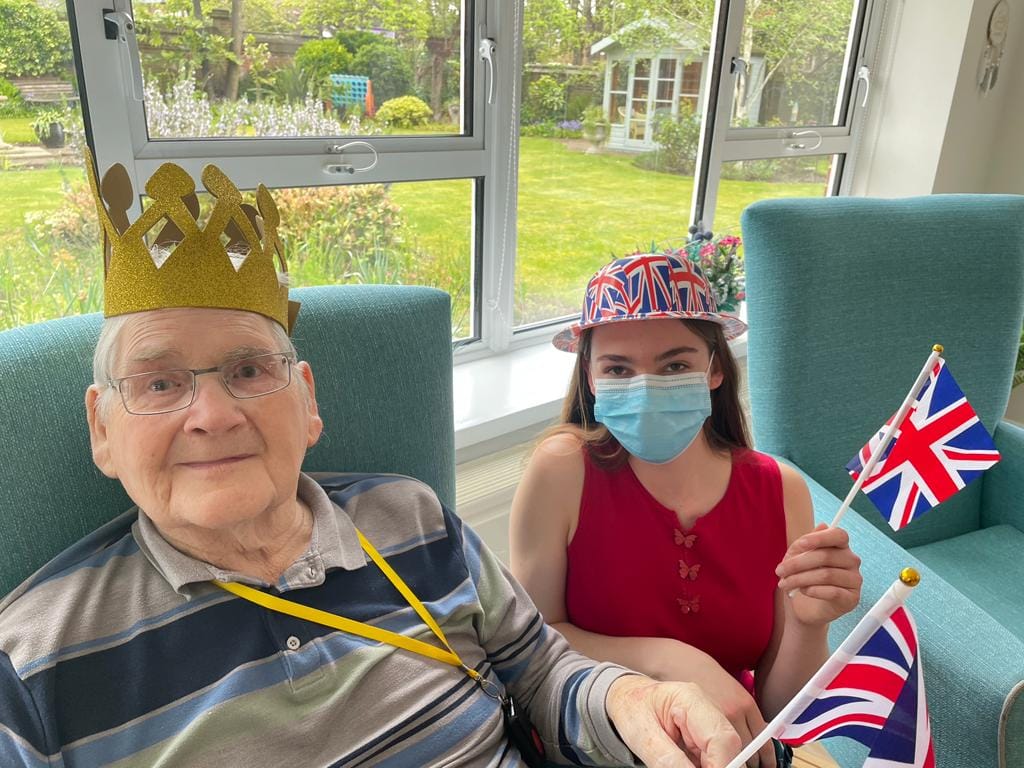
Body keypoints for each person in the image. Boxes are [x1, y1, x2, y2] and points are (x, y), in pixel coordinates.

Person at [0, 157, 743, 768]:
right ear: (102, 427)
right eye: (160, 383)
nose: (214, 414)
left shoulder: (410, 516)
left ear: (308, 400)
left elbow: (545, 671)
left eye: (251, 370)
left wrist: (633, 701)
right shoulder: (32, 666)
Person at [510, 251, 863, 767]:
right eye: (618, 368)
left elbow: (778, 710)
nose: (646, 388)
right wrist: (672, 662)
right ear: (590, 377)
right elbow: (534, 650)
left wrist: (810, 625)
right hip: (596, 738)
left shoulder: (779, 489)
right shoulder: (561, 470)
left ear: (714, 369)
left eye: (675, 365)